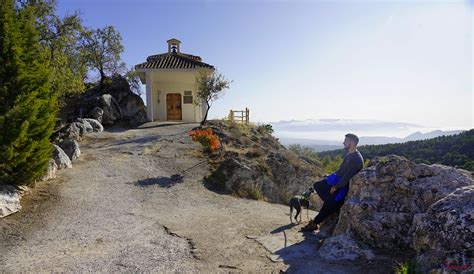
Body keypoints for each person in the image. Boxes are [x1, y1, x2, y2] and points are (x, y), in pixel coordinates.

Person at [300, 133, 364, 232]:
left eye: (345, 141)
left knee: (329, 204)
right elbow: (341, 170)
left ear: (352, 143)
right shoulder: (350, 155)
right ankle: (330, 203)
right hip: (336, 179)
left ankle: (315, 223)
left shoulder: (356, 159)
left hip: (342, 186)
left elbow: (347, 177)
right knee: (318, 186)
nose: (343, 143)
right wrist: (330, 175)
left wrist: (336, 187)